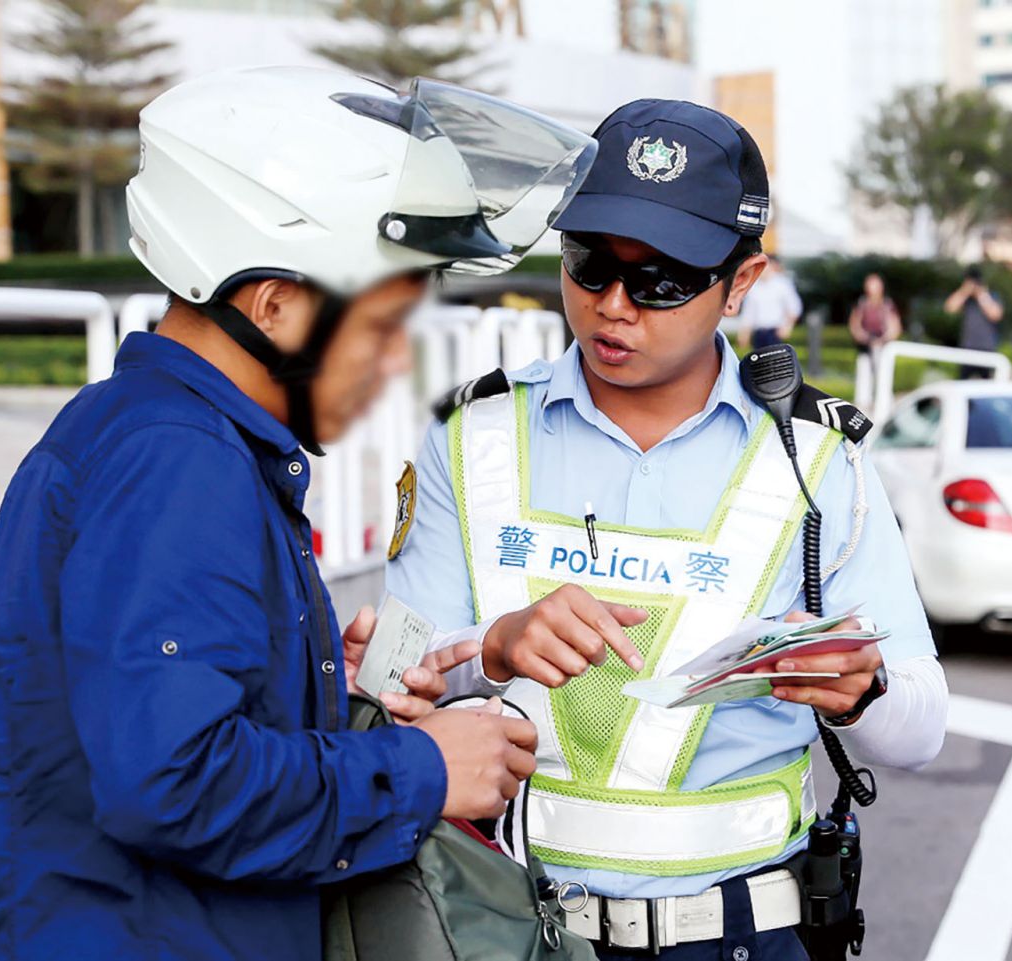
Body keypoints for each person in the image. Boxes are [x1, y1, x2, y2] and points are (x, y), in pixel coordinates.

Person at [0, 67, 571, 960]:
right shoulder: (179, 462)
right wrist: (424, 770)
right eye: (381, 329)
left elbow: (141, 705)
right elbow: (172, 781)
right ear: (275, 304)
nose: (392, 364)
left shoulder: (153, 433)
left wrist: (315, 679)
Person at [385, 98, 948, 961]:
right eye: (588, 263)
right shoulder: (473, 435)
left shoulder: (818, 456)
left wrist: (862, 691)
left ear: (742, 283)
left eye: (662, 280)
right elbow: (389, 689)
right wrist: (492, 646)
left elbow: (920, 729)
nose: (614, 305)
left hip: (739, 937)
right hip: (504, 923)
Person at [945, 265, 1003, 378]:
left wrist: (982, 295)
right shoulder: (966, 299)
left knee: (986, 389)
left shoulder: (992, 296)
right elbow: (950, 308)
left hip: (987, 350)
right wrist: (964, 291)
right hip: (967, 349)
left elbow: (995, 315)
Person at [737, 253, 803, 351]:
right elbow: (749, 313)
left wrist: (787, 326)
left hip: (775, 332)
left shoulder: (782, 285)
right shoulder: (753, 287)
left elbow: (794, 307)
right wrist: (744, 333)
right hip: (759, 333)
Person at [848, 272, 902, 356]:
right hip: (864, 349)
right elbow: (854, 325)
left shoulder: (888, 305)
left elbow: (895, 328)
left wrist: (882, 340)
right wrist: (866, 339)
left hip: (885, 349)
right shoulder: (861, 304)